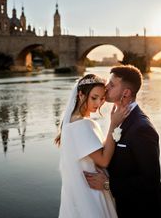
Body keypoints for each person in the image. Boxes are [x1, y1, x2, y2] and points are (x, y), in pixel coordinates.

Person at [84, 65, 161, 218]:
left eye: (112, 85)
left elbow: (151, 180)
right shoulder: (118, 118)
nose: (106, 87)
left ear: (126, 93)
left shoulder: (142, 128)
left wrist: (108, 184)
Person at [55, 74, 129, 218]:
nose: (98, 103)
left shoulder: (69, 121)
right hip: (91, 194)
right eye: (94, 98)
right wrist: (113, 124)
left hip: (78, 193)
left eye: (102, 99)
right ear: (81, 95)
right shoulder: (82, 125)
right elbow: (103, 161)